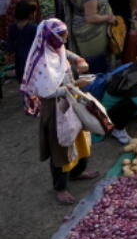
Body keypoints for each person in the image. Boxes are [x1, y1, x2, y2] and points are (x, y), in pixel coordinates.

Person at [19, 19, 96, 204]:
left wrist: (78, 59)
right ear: (51, 37)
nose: (66, 38)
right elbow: (47, 93)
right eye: (62, 35)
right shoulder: (42, 62)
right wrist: (76, 85)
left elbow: (65, 52)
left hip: (71, 100)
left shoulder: (55, 47)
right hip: (55, 108)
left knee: (79, 137)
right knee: (60, 146)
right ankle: (60, 187)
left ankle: (77, 172)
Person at [60, 0, 117, 72]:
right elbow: (90, 17)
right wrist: (108, 17)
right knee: (96, 65)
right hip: (92, 35)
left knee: (85, 61)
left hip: (78, 27)